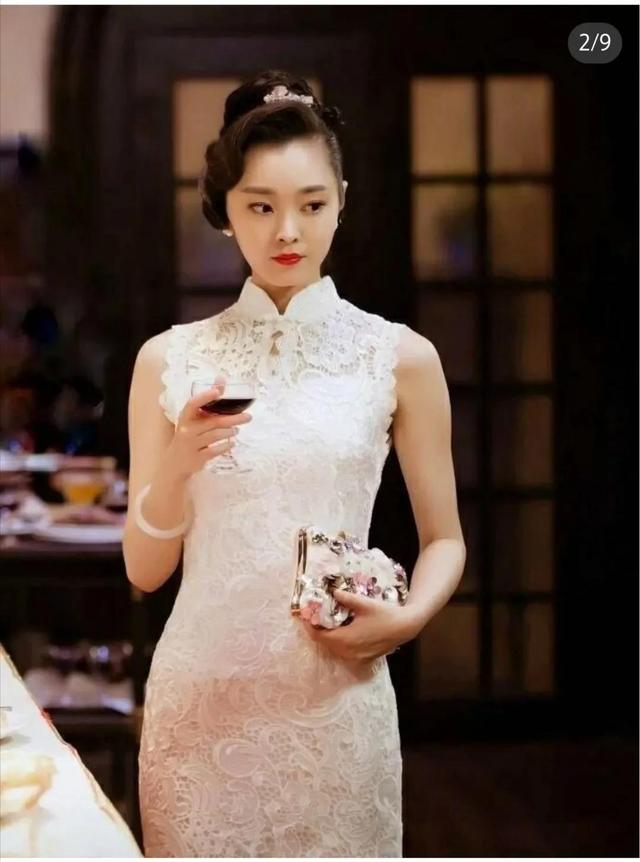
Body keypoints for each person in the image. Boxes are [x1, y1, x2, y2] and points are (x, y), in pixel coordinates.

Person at [123, 69, 466, 858]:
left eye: (311, 205)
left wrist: (410, 618)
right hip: (200, 713)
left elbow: (445, 538)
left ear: (341, 200)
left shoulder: (400, 357)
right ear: (225, 210)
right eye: (260, 207)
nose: (288, 231)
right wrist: (177, 466)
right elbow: (144, 570)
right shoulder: (168, 360)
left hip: (338, 705)